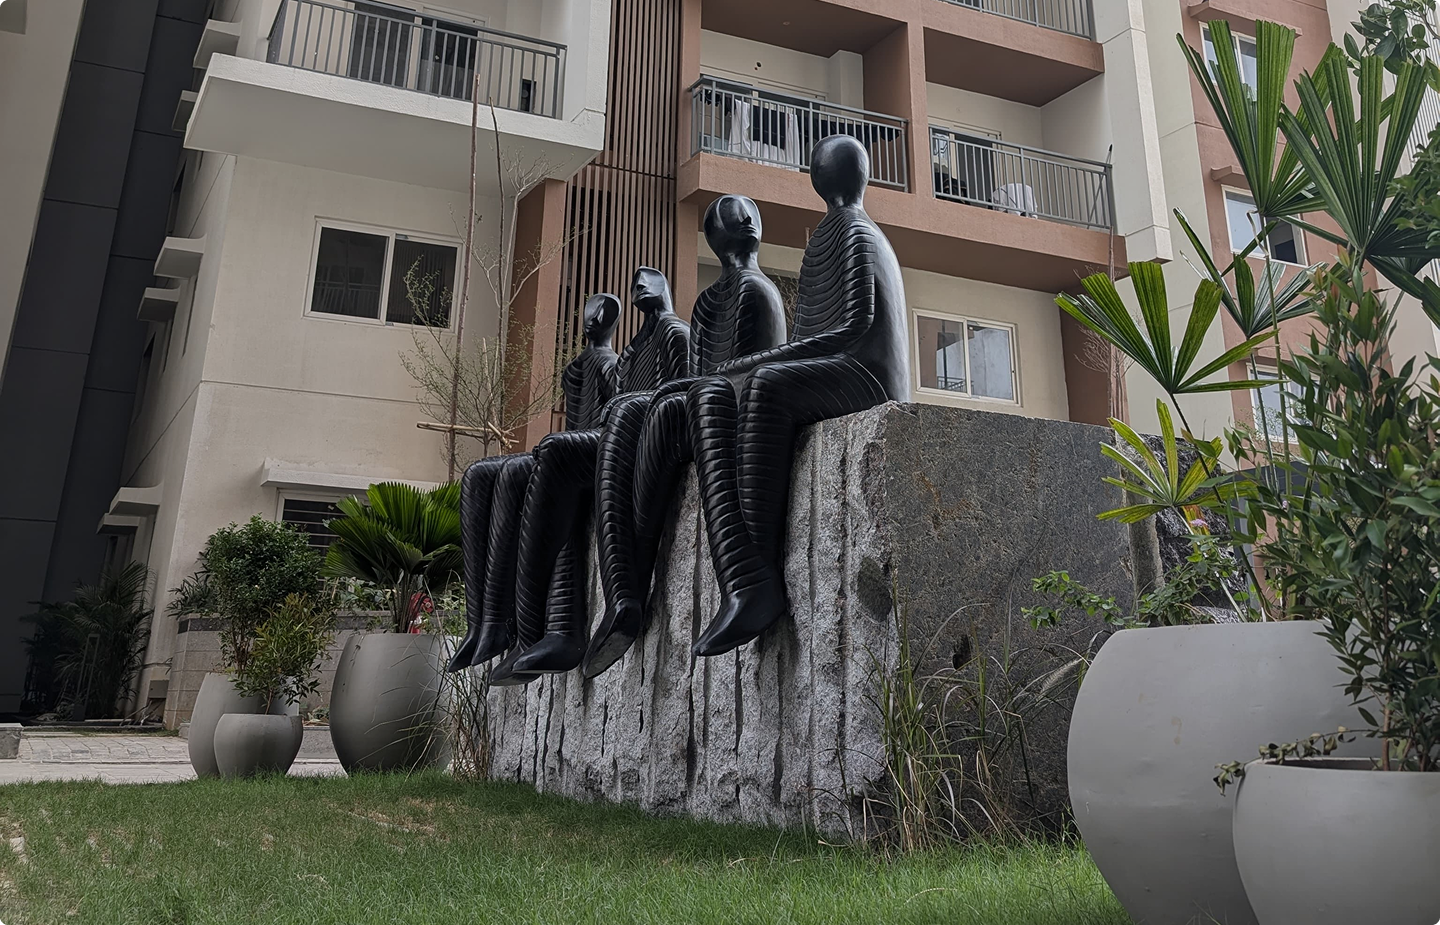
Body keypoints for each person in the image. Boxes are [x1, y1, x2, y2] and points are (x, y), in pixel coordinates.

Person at [687, 134, 910, 657]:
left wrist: (758, 362)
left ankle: (760, 576)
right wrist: (749, 366)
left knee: (765, 385)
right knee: (716, 395)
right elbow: (811, 335)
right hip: (838, 362)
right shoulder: (824, 238)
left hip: (867, 374)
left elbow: (854, 326)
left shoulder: (857, 230)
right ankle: (743, 579)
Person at [583, 194, 787, 678]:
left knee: (652, 406)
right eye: (731, 217)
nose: (743, 220)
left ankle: (644, 580)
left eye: (747, 214)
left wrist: (675, 390)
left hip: (734, 407)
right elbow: (697, 374)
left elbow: (752, 372)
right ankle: (623, 596)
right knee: (629, 415)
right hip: (700, 401)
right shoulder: (708, 301)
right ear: (715, 238)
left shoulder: (760, 292)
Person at [490, 267, 690, 683]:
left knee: (555, 454)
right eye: (635, 281)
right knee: (510, 471)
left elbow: (682, 390)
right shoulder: (633, 350)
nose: (639, 286)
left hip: (641, 433)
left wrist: (622, 413)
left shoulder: (674, 332)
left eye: (647, 280)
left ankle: (558, 627)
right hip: (617, 429)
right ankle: (506, 625)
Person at [448, 293, 620, 672]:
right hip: (572, 448)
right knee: (480, 474)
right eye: (587, 312)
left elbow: (616, 418)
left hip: (596, 451)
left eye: (600, 314)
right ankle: (486, 622)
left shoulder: (610, 364)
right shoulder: (576, 368)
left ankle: (534, 630)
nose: (592, 319)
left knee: (539, 470)